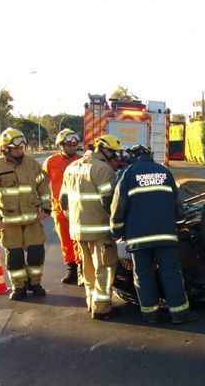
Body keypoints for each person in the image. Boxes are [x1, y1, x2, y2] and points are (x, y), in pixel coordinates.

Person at [110, 145, 199, 324]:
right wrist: (180, 223)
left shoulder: (128, 174)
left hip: (139, 238)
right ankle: (179, 313)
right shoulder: (163, 172)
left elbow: (118, 206)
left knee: (143, 274)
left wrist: (116, 230)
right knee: (171, 273)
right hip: (165, 235)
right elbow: (177, 202)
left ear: (132, 157)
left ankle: (150, 315)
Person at [0, 128, 52, 300]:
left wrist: (46, 206)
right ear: (5, 149)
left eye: (22, 148)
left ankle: (35, 283)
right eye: (16, 148)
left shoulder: (32, 164)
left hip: (32, 220)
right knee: (15, 257)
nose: (20, 151)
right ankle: (18, 287)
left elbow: (43, 186)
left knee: (36, 253)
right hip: (9, 222)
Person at [61, 134, 121, 320]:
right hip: (99, 229)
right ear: (103, 150)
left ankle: (91, 301)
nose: (116, 157)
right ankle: (102, 306)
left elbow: (63, 199)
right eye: (113, 153)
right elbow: (110, 201)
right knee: (105, 266)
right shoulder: (103, 169)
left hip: (78, 229)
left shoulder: (72, 167)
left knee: (87, 267)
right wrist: (118, 222)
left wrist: (73, 220)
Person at [43, 129, 82, 284]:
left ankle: (82, 269)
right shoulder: (51, 162)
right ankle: (71, 270)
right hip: (59, 210)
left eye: (74, 144)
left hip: (79, 208)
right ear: (61, 145)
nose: (72, 147)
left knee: (80, 240)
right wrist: (44, 205)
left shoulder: (82, 161)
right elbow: (42, 185)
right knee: (66, 241)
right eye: (68, 144)